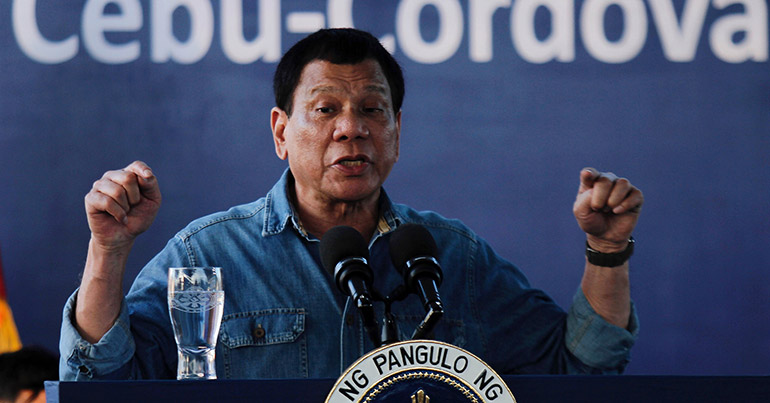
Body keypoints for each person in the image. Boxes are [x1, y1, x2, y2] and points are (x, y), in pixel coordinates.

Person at [59, 28, 643, 380]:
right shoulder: (208, 255)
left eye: (371, 109)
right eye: (325, 109)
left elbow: (583, 368)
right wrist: (108, 250)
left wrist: (607, 251)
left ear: (395, 130)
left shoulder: (449, 257)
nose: (350, 129)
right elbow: (97, 379)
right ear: (280, 132)